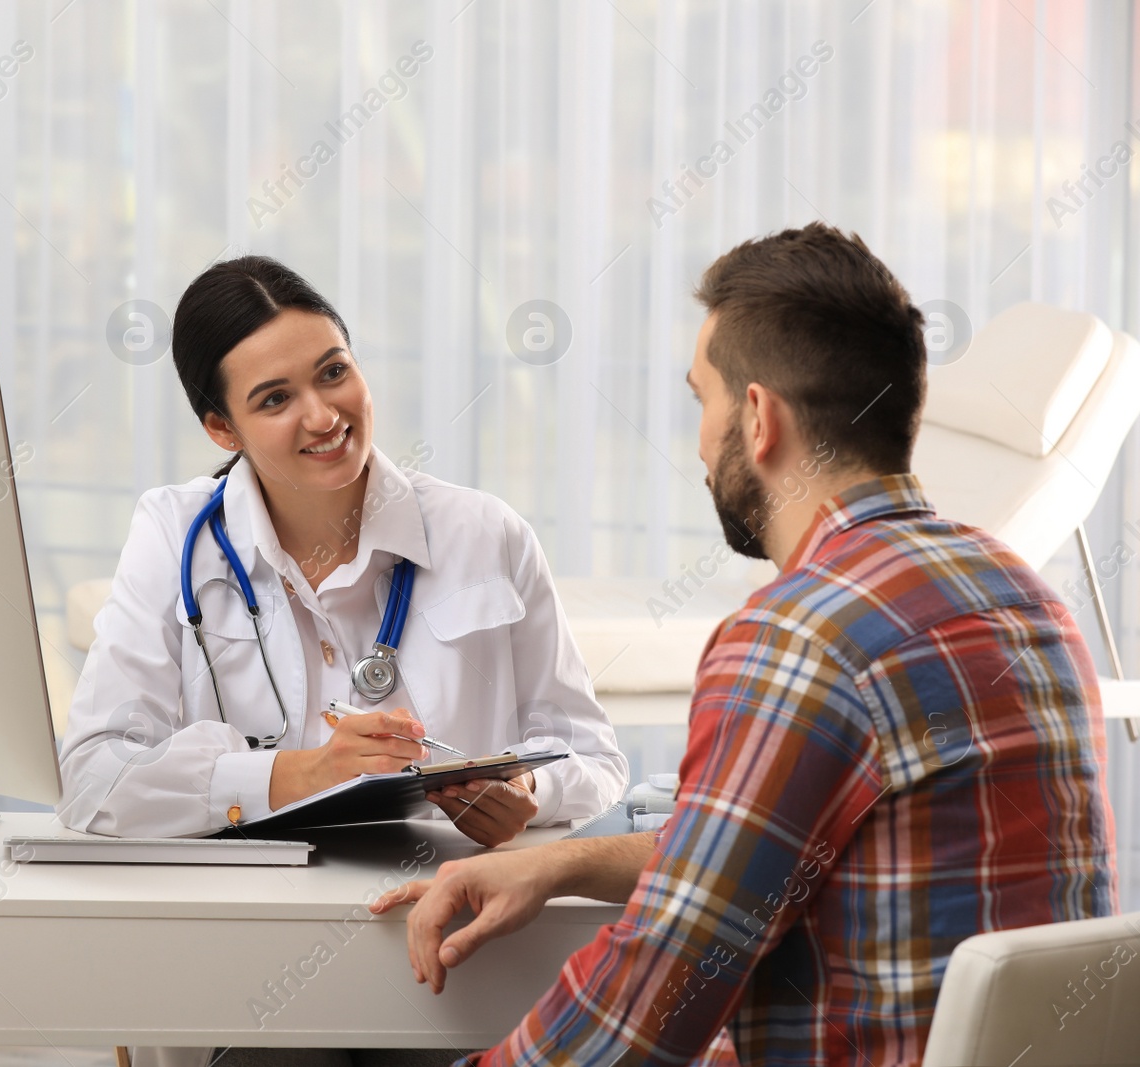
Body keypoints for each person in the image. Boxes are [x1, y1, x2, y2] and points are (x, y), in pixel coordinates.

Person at [373, 222, 1119, 1066]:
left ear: (757, 416)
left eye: (702, 399)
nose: (698, 439)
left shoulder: (800, 636)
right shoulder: (1027, 598)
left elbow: (645, 1011)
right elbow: (761, 847)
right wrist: (564, 863)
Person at [57, 254, 628, 850]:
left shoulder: (487, 533)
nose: (324, 416)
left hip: (447, 902)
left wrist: (534, 791)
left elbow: (594, 759)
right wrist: (308, 773)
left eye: (333, 372)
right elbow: (94, 778)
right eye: (275, 400)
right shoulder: (175, 534)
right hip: (247, 917)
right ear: (223, 430)